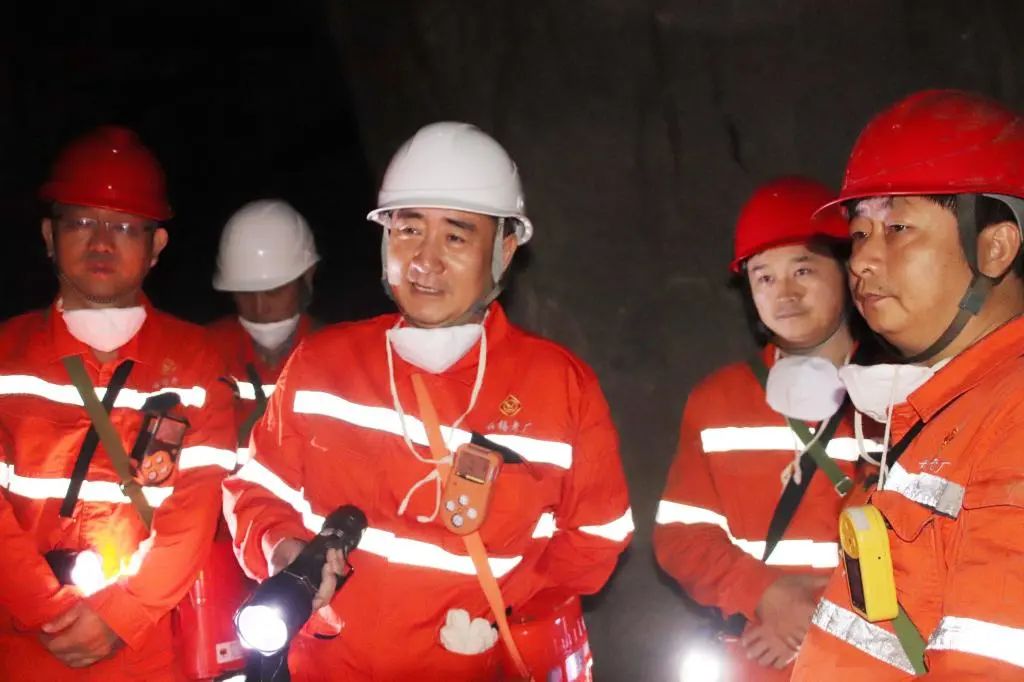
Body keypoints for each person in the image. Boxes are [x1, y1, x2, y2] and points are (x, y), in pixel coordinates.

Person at [223, 121, 633, 680]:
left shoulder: (559, 387)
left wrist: (506, 612)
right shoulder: (322, 365)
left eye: (456, 237)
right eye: (409, 230)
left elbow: (596, 540)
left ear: (504, 249)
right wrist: (279, 546)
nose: (425, 260)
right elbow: (255, 489)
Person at [791, 90, 1024, 679]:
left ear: (994, 247)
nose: (862, 261)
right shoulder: (938, 409)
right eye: (859, 234)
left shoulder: (1014, 416)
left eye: (897, 227)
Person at [0, 126, 236, 680]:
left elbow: (195, 506)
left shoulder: (196, 359)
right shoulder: (5, 356)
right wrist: (44, 609)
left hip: (145, 648)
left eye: (125, 226)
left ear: (157, 247)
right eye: (81, 222)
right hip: (20, 644)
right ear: (49, 235)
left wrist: (121, 616)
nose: (102, 242)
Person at [655, 176, 880, 680]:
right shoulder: (717, 401)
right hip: (757, 654)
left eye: (803, 269)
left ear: (848, 271)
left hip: (872, 655)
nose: (786, 294)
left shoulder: (901, 394)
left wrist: (820, 615)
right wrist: (766, 595)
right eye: (764, 277)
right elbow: (680, 537)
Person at [207, 199, 319, 450]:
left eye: (274, 291)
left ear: (307, 276)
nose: (259, 308)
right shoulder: (204, 352)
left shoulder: (336, 358)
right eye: (245, 293)